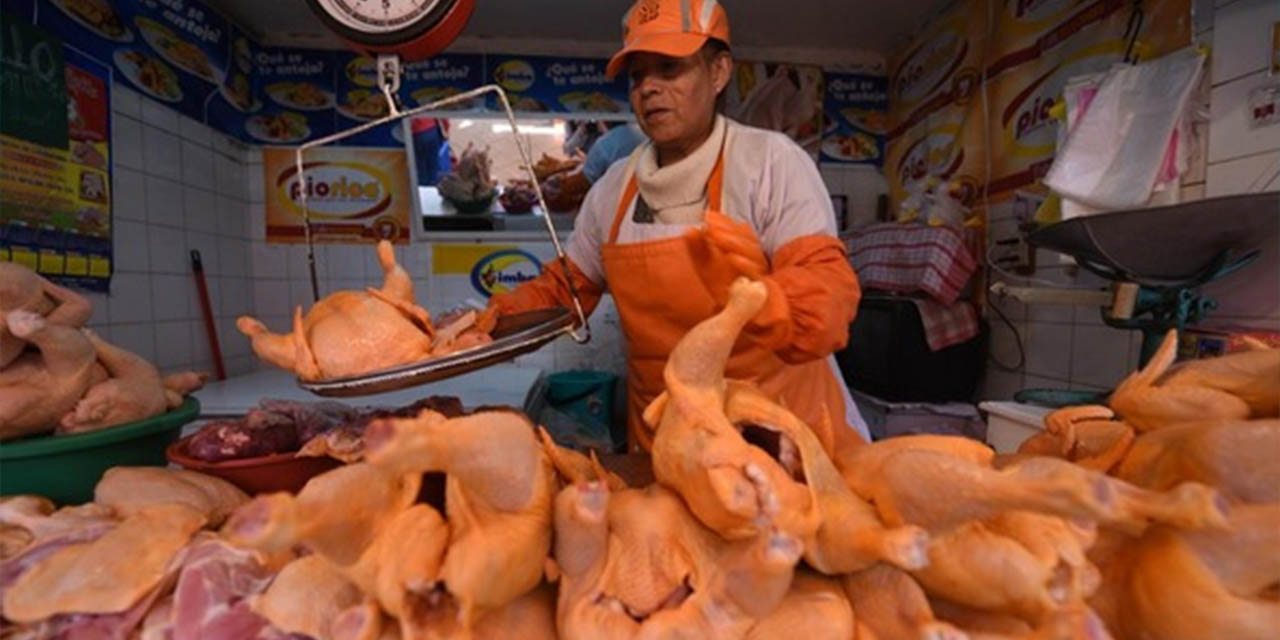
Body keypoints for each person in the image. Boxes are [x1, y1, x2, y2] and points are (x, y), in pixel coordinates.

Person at [489, 0, 868, 456]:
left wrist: (770, 304)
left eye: (669, 69)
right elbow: (563, 292)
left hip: (779, 442)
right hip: (669, 448)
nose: (649, 88)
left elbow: (824, 288)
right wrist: (485, 323)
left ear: (719, 72)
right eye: (637, 77)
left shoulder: (772, 163)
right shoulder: (613, 189)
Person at [543, 121, 648, 211]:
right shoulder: (644, 133)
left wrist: (558, 186)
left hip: (616, 207)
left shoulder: (606, 144)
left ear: (604, 121)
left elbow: (583, 183)